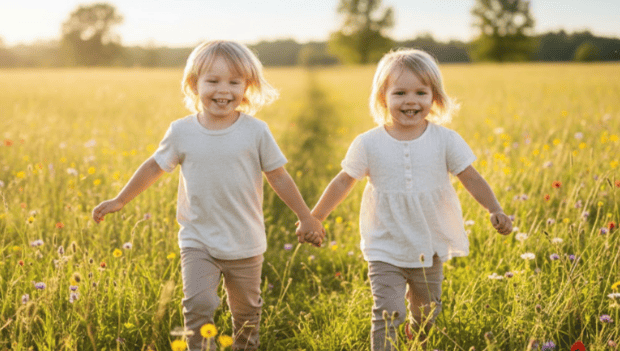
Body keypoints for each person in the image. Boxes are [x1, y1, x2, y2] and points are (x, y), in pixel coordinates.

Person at [92, 40, 323, 351]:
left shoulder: (256, 132)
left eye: (233, 82)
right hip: (197, 239)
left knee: (246, 313)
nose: (223, 90)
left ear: (247, 87)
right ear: (194, 84)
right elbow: (154, 166)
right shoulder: (182, 131)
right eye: (212, 81)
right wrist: (121, 199)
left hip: (245, 240)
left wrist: (305, 215)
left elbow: (278, 176)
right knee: (198, 304)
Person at [298, 48, 512, 351]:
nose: (411, 101)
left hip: (429, 243)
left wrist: (495, 208)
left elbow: (471, 178)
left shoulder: (445, 140)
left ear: (434, 97)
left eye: (420, 92)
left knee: (426, 312)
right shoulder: (368, 143)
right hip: (384, 245)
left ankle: (421, 343)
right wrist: (315, 217)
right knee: (387, 312)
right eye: (399, 92)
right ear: (383, 98)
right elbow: (343, 181)